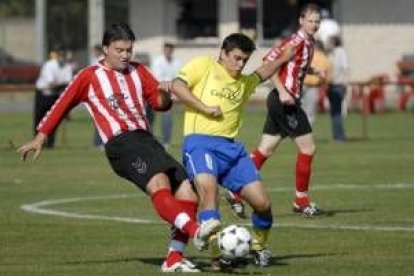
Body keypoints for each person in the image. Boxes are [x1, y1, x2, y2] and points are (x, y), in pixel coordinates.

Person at [17, 22, 221, 273]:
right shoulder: (89, 76)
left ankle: (174, 259)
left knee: (188, 192)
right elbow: (63, 102)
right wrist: (41, 136)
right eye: (119, 50)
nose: (125, 55)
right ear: (105, 49)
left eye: (129, 50)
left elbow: (158, 103)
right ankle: (195, 231)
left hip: (147, 140)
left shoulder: (139, 71)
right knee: (159, 183)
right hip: (121, 144)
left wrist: (166, 93)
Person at [171, 33, 293, 269]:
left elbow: (263, 72)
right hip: (200, 144)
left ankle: (258, 247)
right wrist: (204, 107)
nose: (240, 64)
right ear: (223, 54)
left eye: (244, 60)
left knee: (263, 203)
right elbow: (177, 85)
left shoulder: (243, 83)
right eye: (236, 58)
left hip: (231, 149)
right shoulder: (204, 65)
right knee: (209, 194)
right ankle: (218, 258)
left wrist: (284, 58)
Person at [225, 3, 325, 218]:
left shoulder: (309, 41)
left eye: (317, 21)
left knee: (265, 151)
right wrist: (282, 91)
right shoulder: (295, 41)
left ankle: (234, 191)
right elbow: (269, 61)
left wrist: (313, 69)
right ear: (301, 20)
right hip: (285, 102)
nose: (314, 24)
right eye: (310, 20)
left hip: (284, 101)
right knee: (308, 149)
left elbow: (295, 64)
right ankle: (301, 200)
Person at [33, 48, 73, 148]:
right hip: (43, 94)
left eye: (64, 56)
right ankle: (38, 142)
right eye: (61, 56)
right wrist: (62, 85)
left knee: (53, 119)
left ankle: (50, 144)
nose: (62, 58)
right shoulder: (49, 65)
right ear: (57, 56)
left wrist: (62, 85)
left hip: (55, 95)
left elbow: (69, 84)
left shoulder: (67, 67)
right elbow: (51, 83)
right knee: (39, 119)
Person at [151, 42, 181, 150]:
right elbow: (157, 78)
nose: (168, 52)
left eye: (170, 50)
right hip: (156, 92)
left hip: (168, 93)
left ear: (172, 51)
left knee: (167, 118)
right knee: (150, 118)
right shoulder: (158, 61)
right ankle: (148, 139)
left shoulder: (177, 62)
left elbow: (177, 78)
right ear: (164, 50)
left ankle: (166, 141)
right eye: (166, 50)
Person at [301, 40, 332, 125]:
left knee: (299, 111)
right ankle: (306, 133)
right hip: (313, 87)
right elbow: (327, 77)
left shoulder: (307, 56)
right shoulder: (325, 59)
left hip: (300, 85)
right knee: (309, 113)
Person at [326, 35, 349, 141]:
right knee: (334, 112)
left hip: (339, 85)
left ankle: (340, 136)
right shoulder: (329, 54)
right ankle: (336, 136)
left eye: (329, 43)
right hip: (330, 85)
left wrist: (345, 80)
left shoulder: (340, 52)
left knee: (337, 112)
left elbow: (345, 67)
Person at [89, 44, 105, 149]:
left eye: (94, 51)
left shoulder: (100, 61)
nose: (93, 53)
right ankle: (97, 142)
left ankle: (99, 142)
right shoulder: (94, 60)